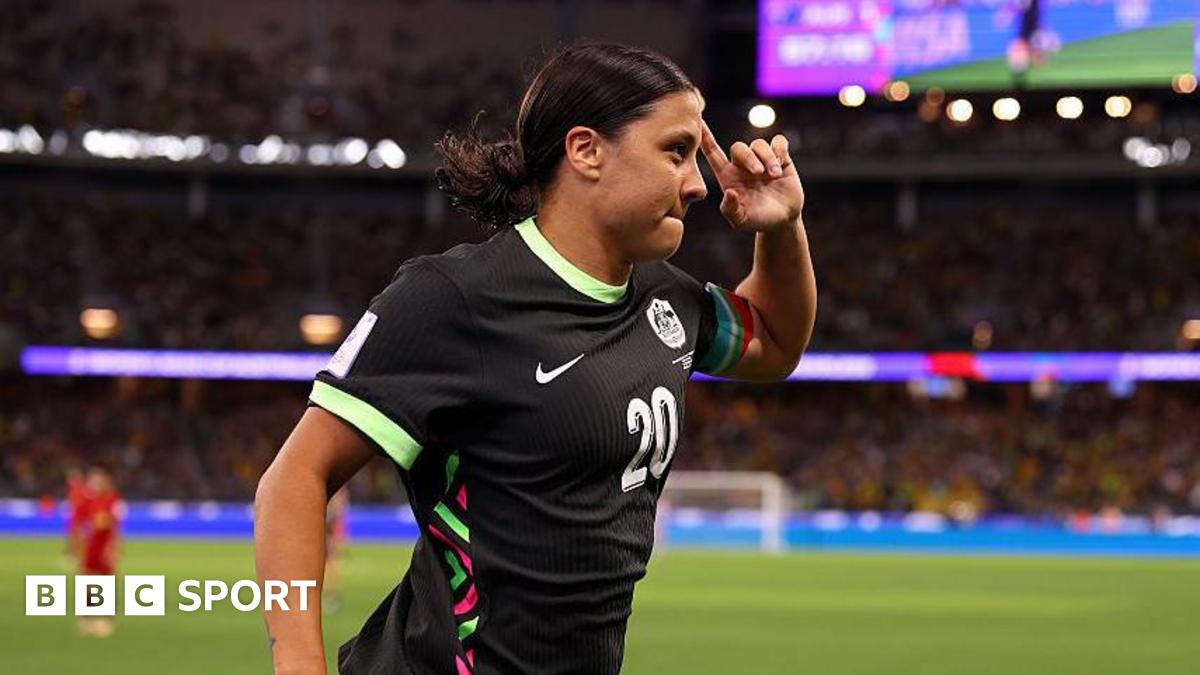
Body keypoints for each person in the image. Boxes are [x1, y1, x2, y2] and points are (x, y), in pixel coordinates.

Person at [255, 42, 816, 675]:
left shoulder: (665, 297)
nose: (696, 184)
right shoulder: (454, 300)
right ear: (586, 151)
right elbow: (293, 480)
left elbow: (772, 342)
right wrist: (298, 662)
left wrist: (781, 228)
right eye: (675, 151)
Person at [76, 465, 122, 638]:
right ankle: (87, 619)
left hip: (104, 548)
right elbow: (80, 526)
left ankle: (105, 619)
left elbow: (115, 529)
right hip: (90, 548)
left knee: (106, 584)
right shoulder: (87, 501)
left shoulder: (112, 500)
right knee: (88, 584)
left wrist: (114, 550)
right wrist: (78, 548)